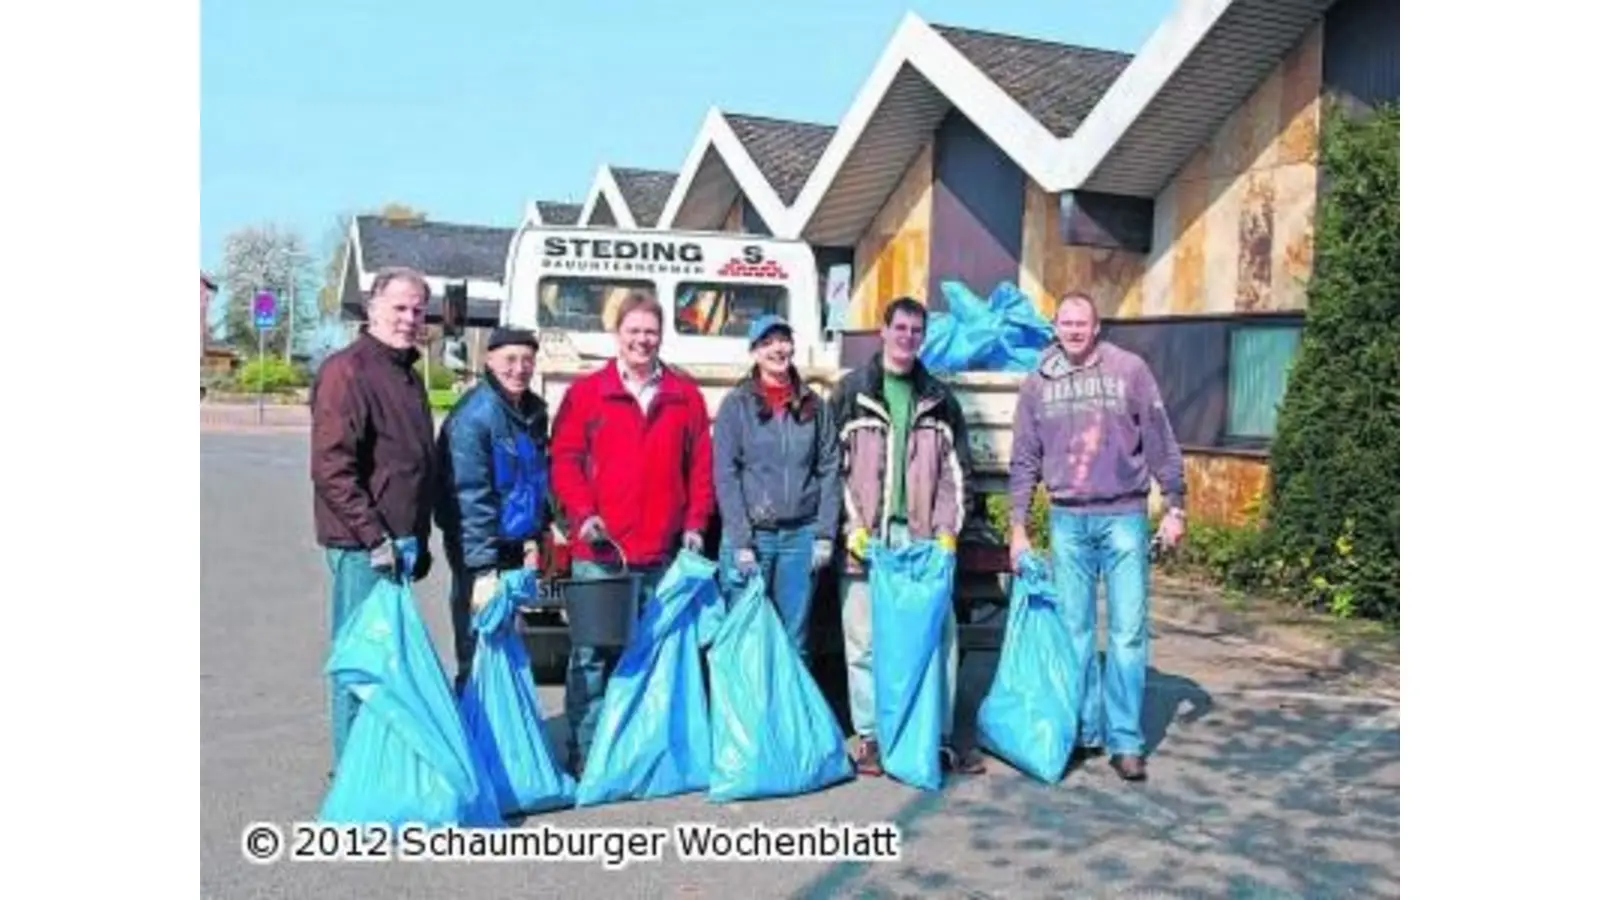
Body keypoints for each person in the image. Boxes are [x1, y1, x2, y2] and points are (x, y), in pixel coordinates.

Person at [1007, 291, 1187, 783]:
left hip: (1123, 517)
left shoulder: (1129, 371)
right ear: (1055, 327)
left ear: (1097, 325)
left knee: (1128, 631)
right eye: (1065, 323)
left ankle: (1126, 741)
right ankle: (1085, 732)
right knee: (1075, 634)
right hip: (1067, 520)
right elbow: (1024, 459)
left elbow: (1159, 439)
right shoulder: (1038, 382)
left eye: (1081, 323)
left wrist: (1175, 505)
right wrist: (1018, 528)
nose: (1073, 331)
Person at [548, 291, 715, 775]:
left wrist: (695, 525)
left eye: (650, 332)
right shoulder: (587, 393)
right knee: (592, 657)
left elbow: (699, 470)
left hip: (661, 552)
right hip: (600, 551)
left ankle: (637, 752)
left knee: (652, 657)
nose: (642, 340)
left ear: (661, 336)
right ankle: (587, 753)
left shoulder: (685, 396)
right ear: (617, 335)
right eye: (633, 331)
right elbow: (565, 461)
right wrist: (582, 513)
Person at [830, 296, 985, 777]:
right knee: (864, 641)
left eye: (916, 331)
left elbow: (956, 475)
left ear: (924, 337)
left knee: (937, 642)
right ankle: (872, 738)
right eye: (900, 328)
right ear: (883, 331)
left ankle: (934, 737)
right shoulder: (851, 393)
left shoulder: (940, 399)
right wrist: (851, 528)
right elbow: (832, 470)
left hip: (922, 545)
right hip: (867, 541)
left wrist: (946, 534)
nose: (907, 338)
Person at [308, 266, 438, 771]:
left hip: (399, 543)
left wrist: (419, 538)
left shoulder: (405, 374)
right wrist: (374, 537)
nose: (409, 318)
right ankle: (353, 774)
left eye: (417, 309)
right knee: (361, 659)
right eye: (400, 307)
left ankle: (375, 764)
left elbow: (414, 463)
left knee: (390, 662)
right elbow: (332, 466)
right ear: (372, 308)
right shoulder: (348, 371)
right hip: (364, 547)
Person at [712, 314, 841, 664]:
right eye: (767, 342)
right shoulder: (736, 406)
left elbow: (830, 468)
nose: (777, 349)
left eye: (782, 340)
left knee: (794, 643)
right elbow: (725, 474)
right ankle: (744, 719)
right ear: (754, 352)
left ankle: (789, 719)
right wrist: (740, 540)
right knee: (744, 638)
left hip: (800, 538)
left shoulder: (815, 406)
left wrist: (825, 533)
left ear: (792, 346)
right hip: (754, 537)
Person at [434, 327, 551, 693]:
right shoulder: (475, 416)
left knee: (504, 648)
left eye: (527, 360)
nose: (519, 369)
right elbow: (469, 498)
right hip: (480, 551)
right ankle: (474, 734)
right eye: (510, 360)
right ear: (489, 360)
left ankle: (501, 737)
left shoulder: (531, 412)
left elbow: (534, 481)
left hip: (514, 545)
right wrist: (483, 569)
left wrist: (535, 536)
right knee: (478, 648)